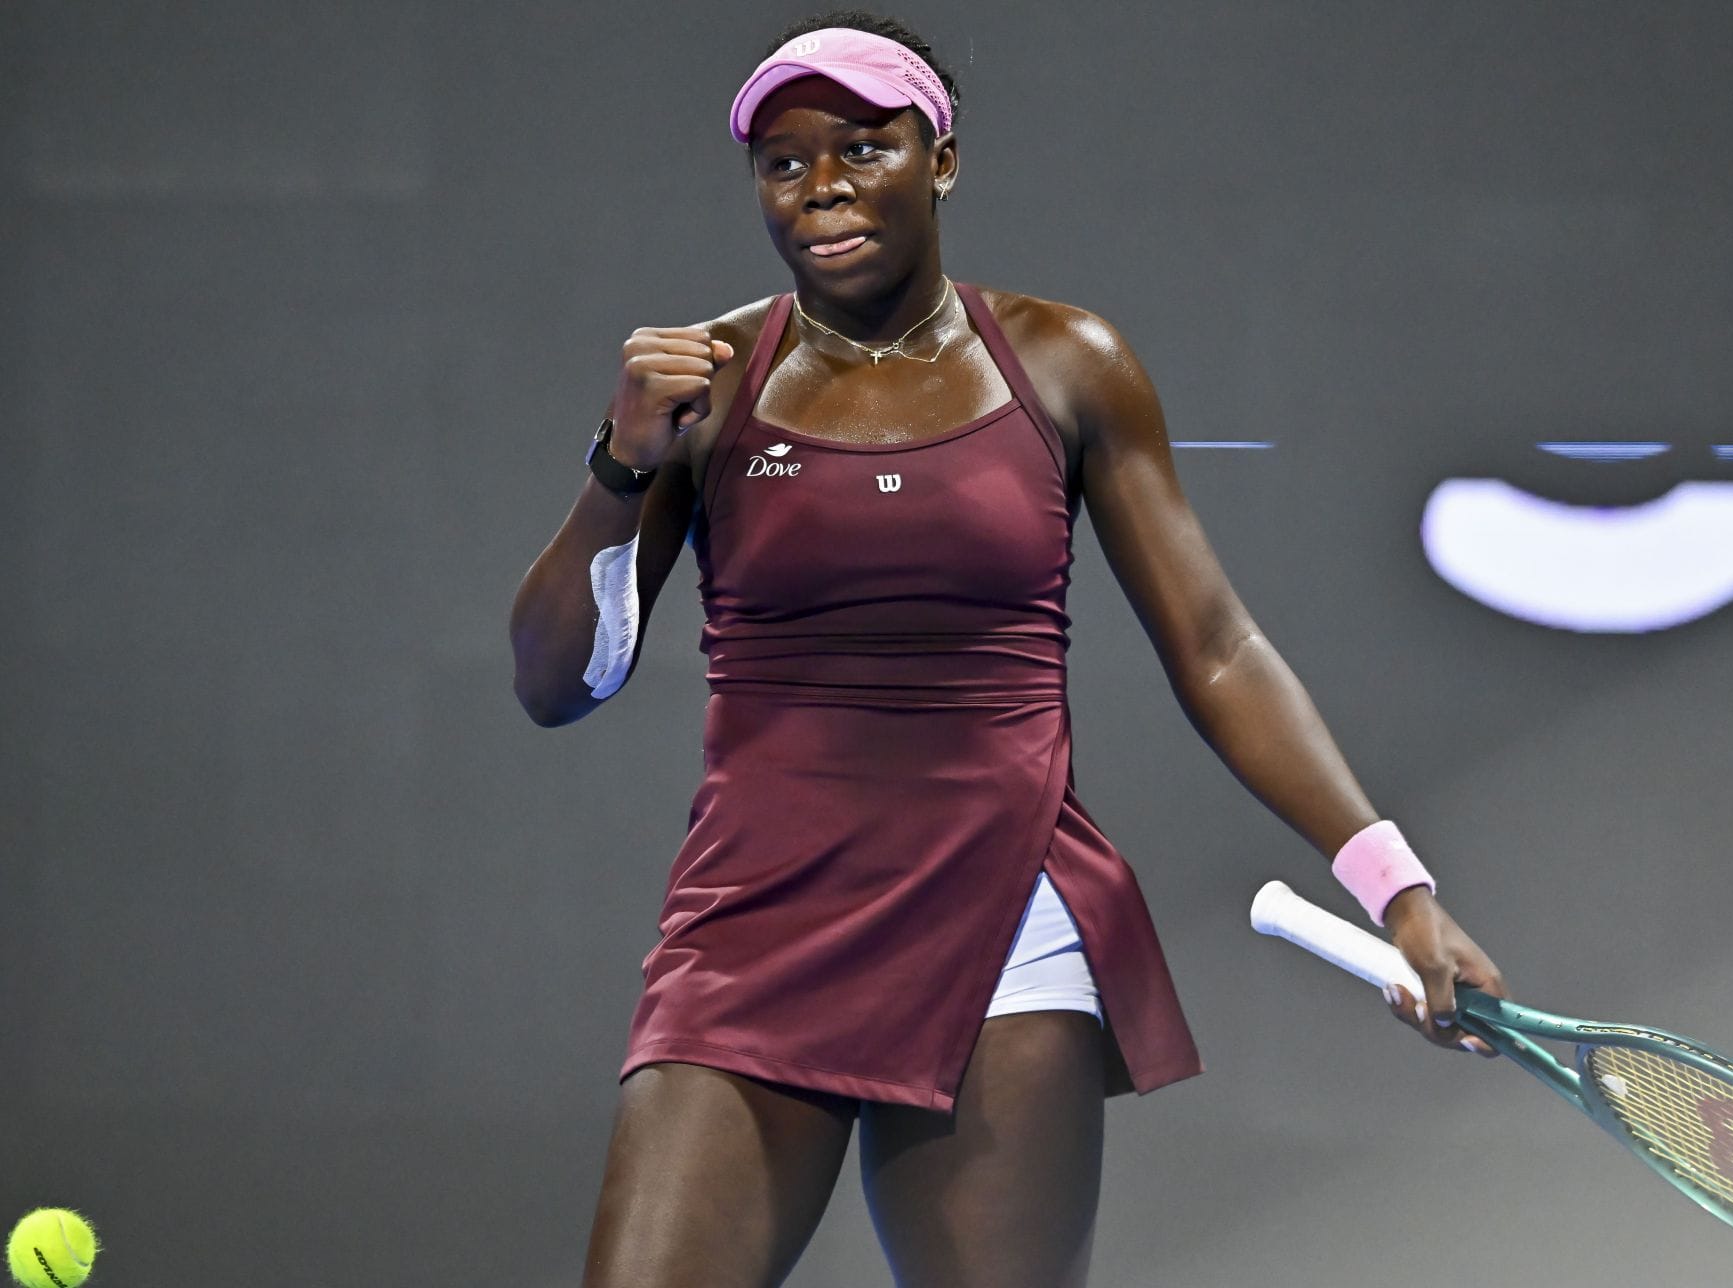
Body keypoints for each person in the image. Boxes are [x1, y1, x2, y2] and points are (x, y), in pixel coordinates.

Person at [509, 11, 1509, 1287]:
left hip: (1003, 923)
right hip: (753, 923)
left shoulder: (1066, 362)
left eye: (863, 147)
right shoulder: (701, 385)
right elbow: (559, 684)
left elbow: (1216, 648)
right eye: (784, 162)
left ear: (943, 160)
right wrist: (618, 467)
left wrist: (1399, 890)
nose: (821, 188)